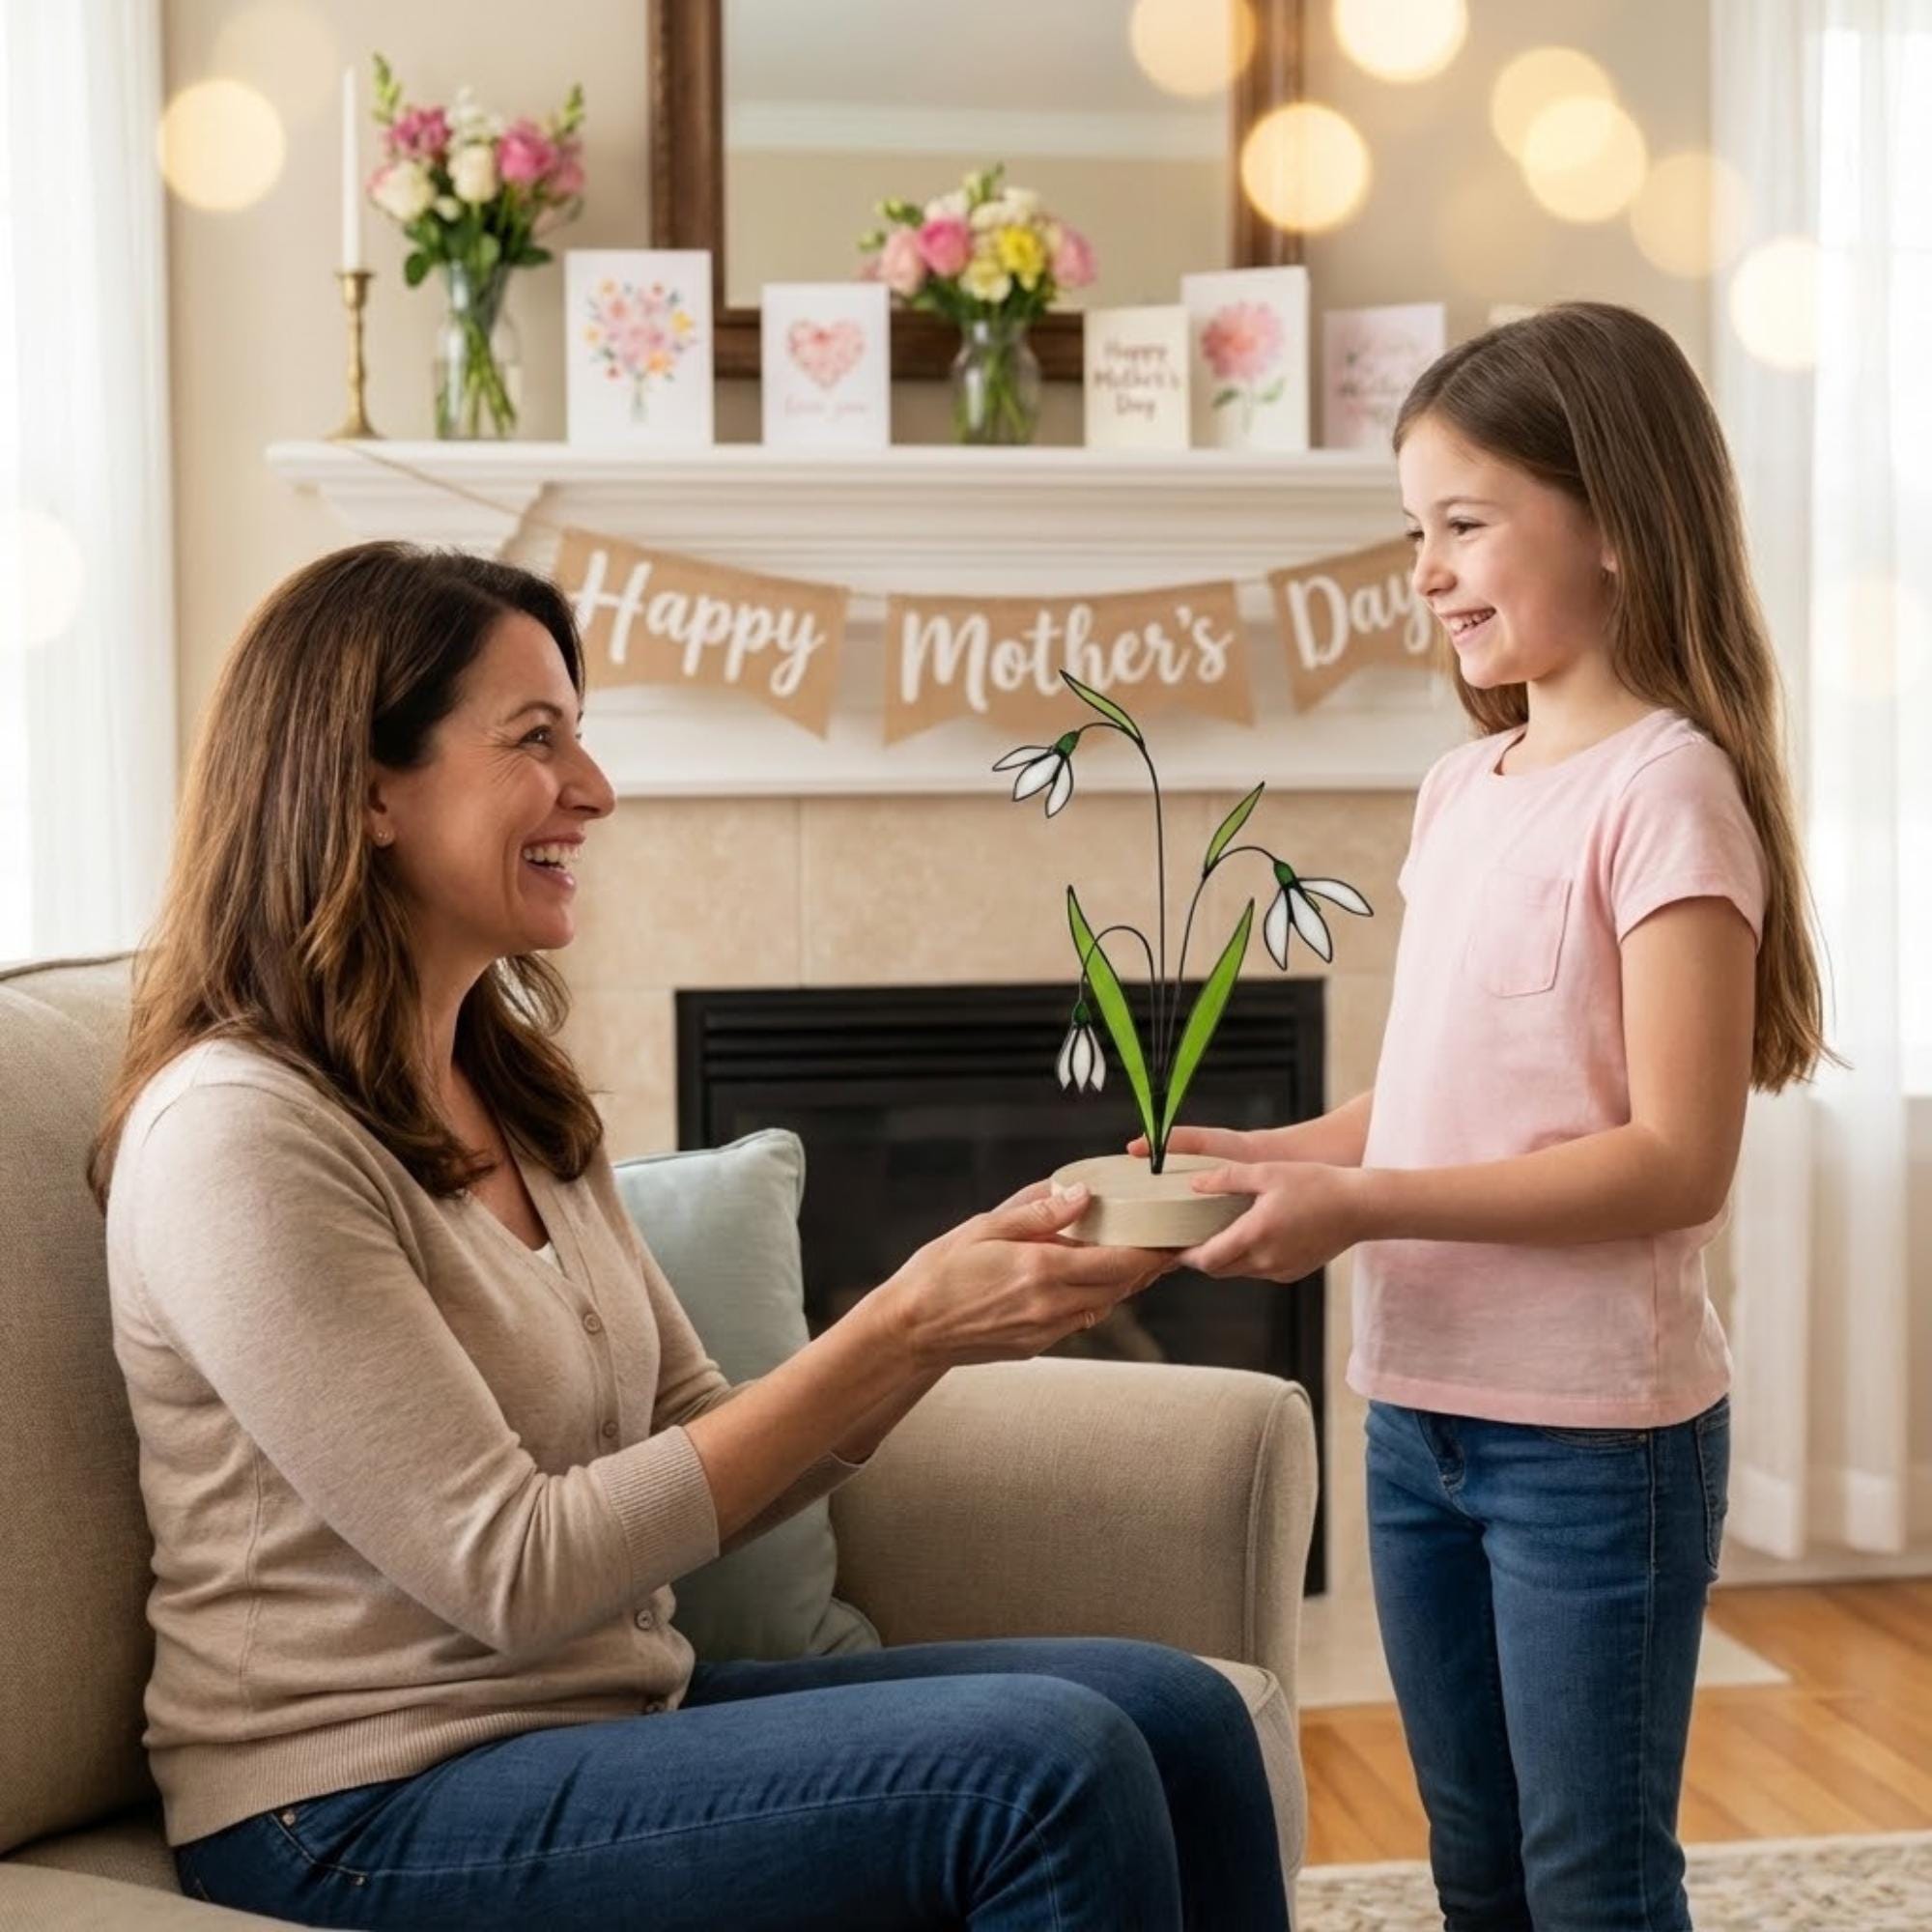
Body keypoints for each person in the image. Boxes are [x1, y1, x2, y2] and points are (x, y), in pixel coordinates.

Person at [89, 541, 1291, 1932]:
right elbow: (512, 1569)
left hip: (599, 1718)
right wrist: (903, 1324)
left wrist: (941, 1318)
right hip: (350, 1805)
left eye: (582, 739)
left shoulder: (520, 1095)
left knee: (1179, 1713)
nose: (593, 791)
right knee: (1043, 1773)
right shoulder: (241, 1136)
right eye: (537, 742)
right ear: (366, 790)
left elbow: (695, 1428)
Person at [1151, 302, 1831, 1931]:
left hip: (1595, 1447)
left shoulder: (1668, 791)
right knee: (1474, 1865)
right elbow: (1448, 1094)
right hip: (1417, 1415)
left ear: (1612, 520)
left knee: (1589, 1878)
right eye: (1415, 534)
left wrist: (1362, 1212)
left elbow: (1676, 1162)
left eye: (1466, 524)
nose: (1429, 571)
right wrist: (1266, 1157)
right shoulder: (1468, 786)